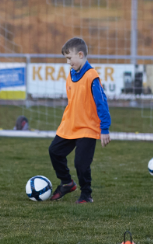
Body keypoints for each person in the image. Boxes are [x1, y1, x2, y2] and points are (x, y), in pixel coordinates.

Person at [47, 37, 111, 204]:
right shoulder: (71, 73)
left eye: (70, 58)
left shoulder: (92, 77)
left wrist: (104, 129)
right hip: (70, 125)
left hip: (87, 128)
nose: (68, 62)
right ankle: (67, 183)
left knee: (81, 164)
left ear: (80, 55)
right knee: (54, 151)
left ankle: (86, 195)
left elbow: (101, 103)